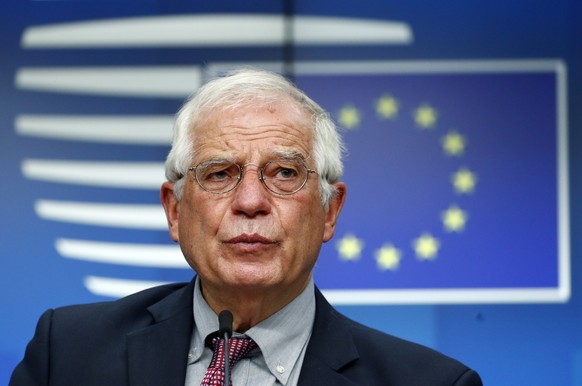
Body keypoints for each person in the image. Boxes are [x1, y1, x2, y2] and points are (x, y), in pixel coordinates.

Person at [10, 68, 482, 386]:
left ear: (330, 212)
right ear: (175, 211)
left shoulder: (432, 383)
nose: (251, 202)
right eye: (219, 174)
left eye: (283, 174)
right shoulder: (68, 355)